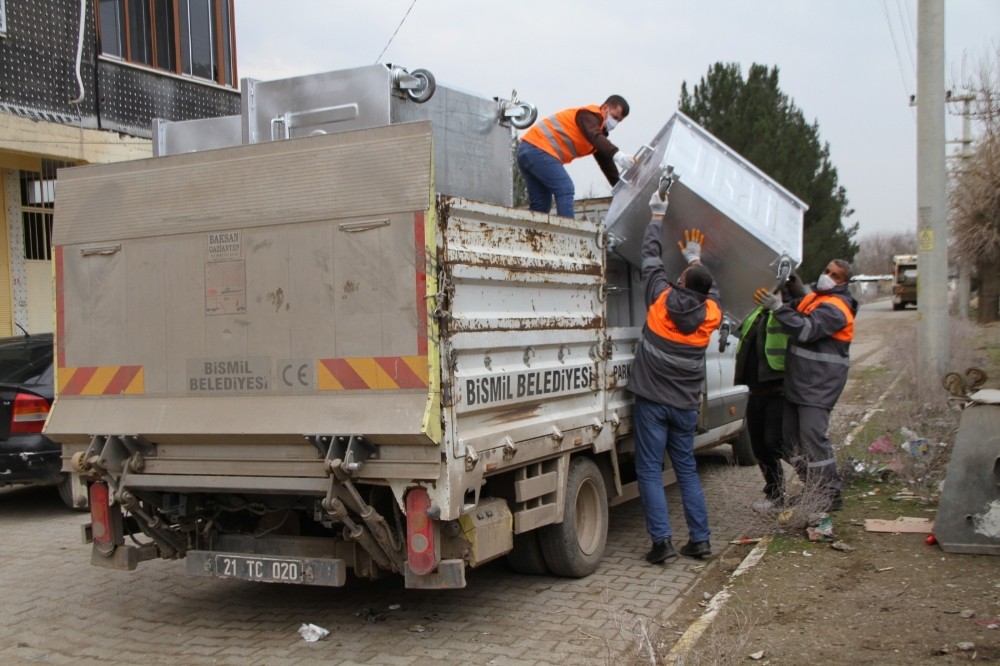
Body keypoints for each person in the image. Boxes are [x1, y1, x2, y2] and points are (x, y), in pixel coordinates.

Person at [630, 191, 721, 564]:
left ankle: (662, 544)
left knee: (650, 470)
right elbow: (709, 290)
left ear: (680, 280)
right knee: (686, 469)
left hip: (652, 403)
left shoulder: (660, 299)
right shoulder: (711, 314)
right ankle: (699, 541)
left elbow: (650, 258)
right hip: (684, 406)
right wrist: (696, 259)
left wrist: (656, 214)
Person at [754, 260, 858, 512]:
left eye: (835, 275)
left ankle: (829, 493)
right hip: (799, 383)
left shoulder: (838, 308)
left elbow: (806, 329)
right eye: (826, 271)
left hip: (819, 386)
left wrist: (778, 306)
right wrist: (788, 282)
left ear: (843, 282)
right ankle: (813, 486)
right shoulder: (817, 299)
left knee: (813, 439)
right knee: (789, 441)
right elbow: (797, 306)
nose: (827, 276)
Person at [733, 273, 807, 510]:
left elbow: (803, 315)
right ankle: (774, 495)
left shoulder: (787, 311)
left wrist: (794, 289)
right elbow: (739, 330)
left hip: (778, 390)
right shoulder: (756, 313)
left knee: (776, 442)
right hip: (756, 392)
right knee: (759, 447)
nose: (765, 293)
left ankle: (816, 481)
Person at [517, 95, 632, 218]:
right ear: (604, 108)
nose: (614, 123)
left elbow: (606, 163)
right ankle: (568, 236)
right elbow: (595, 136)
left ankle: (521, 234)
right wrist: (618, 155)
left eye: (618, 121)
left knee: (541, 206)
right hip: (537, 149)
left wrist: (620, 188)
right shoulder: (588, 115)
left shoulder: (597, 133)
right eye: (614, 117)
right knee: (565, 188)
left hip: (528, 150)